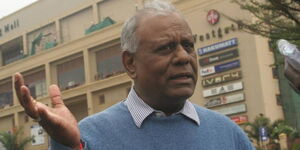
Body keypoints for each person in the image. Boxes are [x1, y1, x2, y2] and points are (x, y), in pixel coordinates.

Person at [14, 0, 255, 149]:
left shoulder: (228, 133)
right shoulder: (89, 137)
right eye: (166, 47)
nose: (183, 57)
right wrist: (65, 147)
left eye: (188, 45)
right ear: (130, 63)